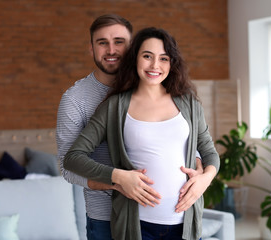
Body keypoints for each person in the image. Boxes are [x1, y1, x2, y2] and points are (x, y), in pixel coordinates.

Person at [63, 27, 220, 240]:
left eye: (163, 58)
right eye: (147, 56)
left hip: (185, 227)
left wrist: (205, 179)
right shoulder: (115, 106)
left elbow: (210, 153)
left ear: (171, 63)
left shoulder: (189, 104)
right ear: (135, 59)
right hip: (136, 226)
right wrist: (118, 177)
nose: (155, 65)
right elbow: (73, 158)